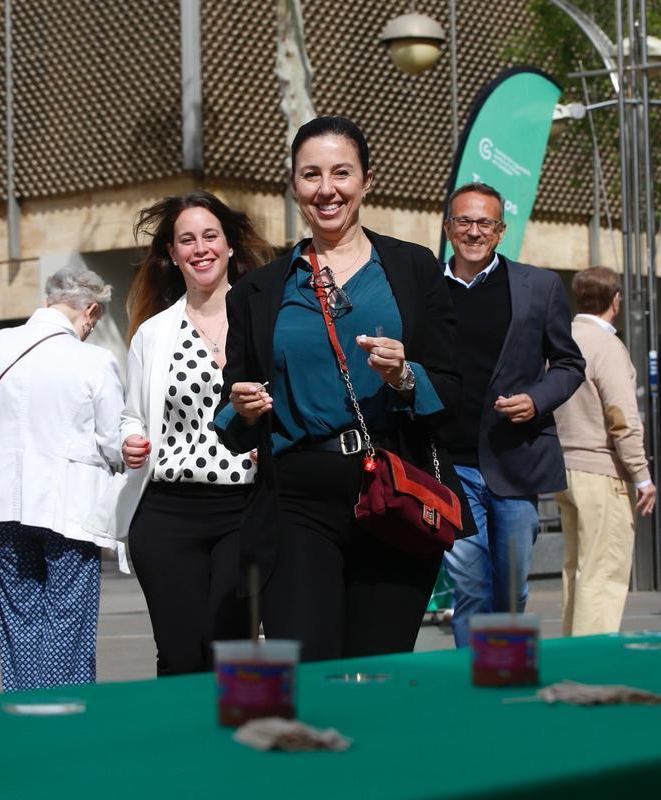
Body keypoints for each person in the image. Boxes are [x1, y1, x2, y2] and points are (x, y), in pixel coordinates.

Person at [214, 115, 475, 661]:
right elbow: (231, 424)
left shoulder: (412, 268)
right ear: (294, 185)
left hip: (395, 493)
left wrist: (407, 377)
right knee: (308, 666)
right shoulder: (259, 290)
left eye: (341, 173)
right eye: (311, 175)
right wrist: (243, 407)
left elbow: (455, 387)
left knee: (377, 669)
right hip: (297, 499)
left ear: (366, 181)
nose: (327, 189)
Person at [112, 192, 271, 675]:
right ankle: (180, 747)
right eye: (187, 240)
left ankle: (230, 746)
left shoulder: (267, 320)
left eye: (209, 236)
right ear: (172, 253)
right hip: (168, 513)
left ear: (228, 247)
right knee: (180, 654)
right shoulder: (154, 334)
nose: (200, 248)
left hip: (244, 510)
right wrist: (131, 441)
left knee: (229, 651)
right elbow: (132, 416)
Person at [0, 267, 124, 692]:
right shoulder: (94, 360)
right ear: (89, 310)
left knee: (19, 613)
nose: (92, 329)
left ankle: (24, 709)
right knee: (69, 615)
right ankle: (64, 711)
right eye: (95, 321)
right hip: (70, 507)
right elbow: (111, 440)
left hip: (5, 501)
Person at [437, 181, 585, 647]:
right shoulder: (425, 289)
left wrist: (537, 399)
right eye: (464, 221)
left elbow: (569, 364)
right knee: (471, 588)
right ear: (448, 228)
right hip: (450, 465)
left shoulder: (538, 286)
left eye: (485, 223)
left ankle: (508, 671)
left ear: (501, 231)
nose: (474, 231)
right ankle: (472, 690)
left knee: (512, 591)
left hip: (515, 462)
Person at [553, 267, 656, 636]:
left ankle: (571, 649)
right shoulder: (607, 346)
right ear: (616, 301)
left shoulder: (560, 339)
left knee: (576, 568)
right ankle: (592, 658)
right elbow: (622, 417)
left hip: (562, 466)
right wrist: (642, 475)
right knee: (604, 570)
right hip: (601, 469)